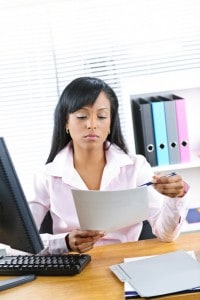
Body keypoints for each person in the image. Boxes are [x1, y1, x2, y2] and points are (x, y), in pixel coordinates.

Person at [29, 76, 190, 254]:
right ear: (66, 122)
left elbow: (166, 234)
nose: (91, 125)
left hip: (126, 263)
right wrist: (64, 242)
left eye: (102, 116)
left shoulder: (135, 167)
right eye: (82, 116)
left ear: (110, 123)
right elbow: (23, 244)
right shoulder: (46, 176)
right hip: (74, 269)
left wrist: (175, 198)